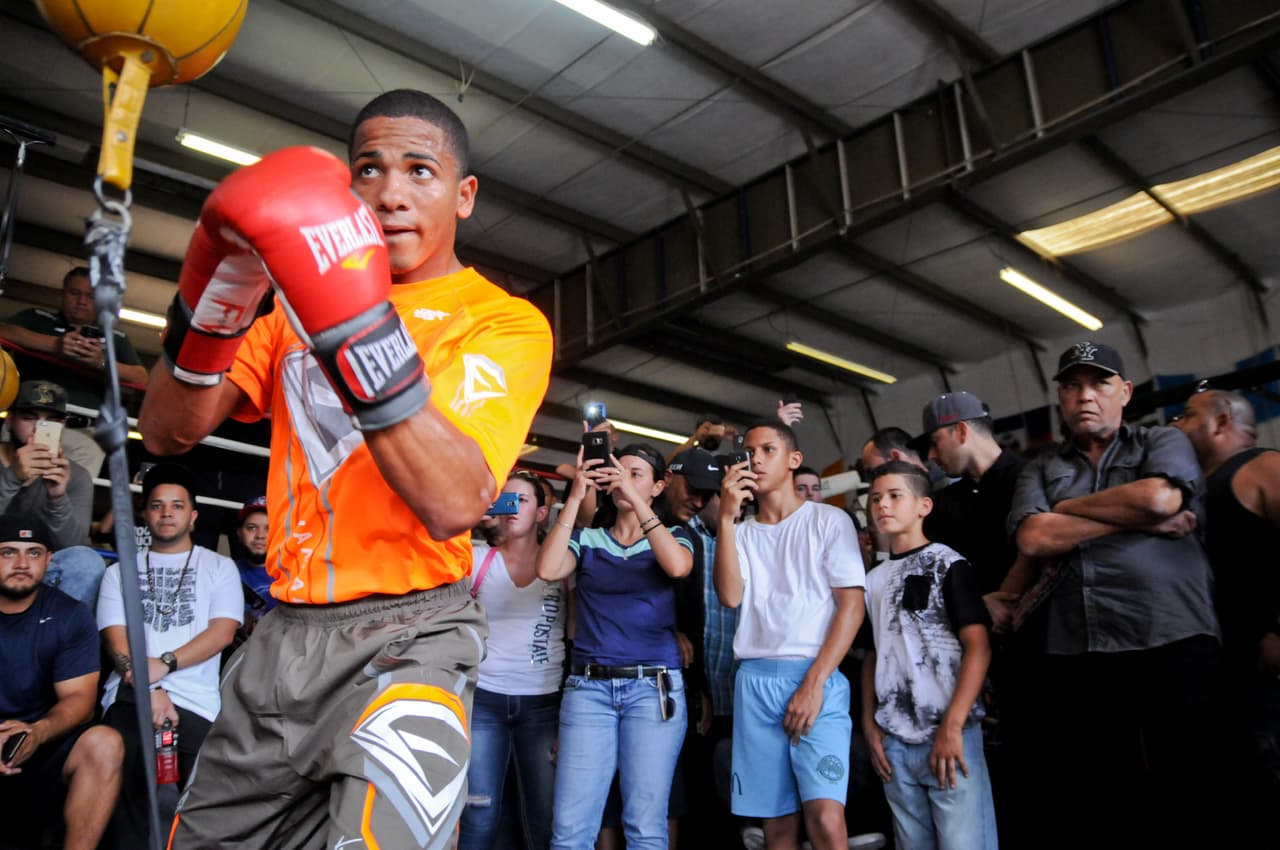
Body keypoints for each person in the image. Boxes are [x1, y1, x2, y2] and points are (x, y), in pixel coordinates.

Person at [140, 89, 553, 848]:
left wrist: (350, 320)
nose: (392, 193)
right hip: (282, 642)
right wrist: (218, 295)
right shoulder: (284, 318)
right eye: (369, 169)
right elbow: (167, 430)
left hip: (411, 634)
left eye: (420, 170)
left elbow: (456, 498)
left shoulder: (501, 323)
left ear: (464, 195)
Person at [1008, 341, 1222, 850]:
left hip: (1173, 632)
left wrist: (1070, 508)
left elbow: (1158, 496)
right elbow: (1034, 538)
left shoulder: (1161, 443)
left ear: (1124, 393)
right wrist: (1139, 522)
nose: (1085, 396)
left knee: (1199, 780)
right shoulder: (1037, 467)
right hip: (1082, 646)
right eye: (1072, 386)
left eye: (1099, 384)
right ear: (1060, 397)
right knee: (1102, 794)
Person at [715, 420, 866, 850]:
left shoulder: (829, 520)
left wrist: (814, 684)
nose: (756, 459)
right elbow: (729, 596)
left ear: (793, 460)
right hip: (755, 679)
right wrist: (726, 518)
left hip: (816, 674)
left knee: (826, 817)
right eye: (749, 452)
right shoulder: (740, 532)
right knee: (776, 825)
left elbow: (852, 607)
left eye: (767, 450)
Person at [537, 444, 695, 850]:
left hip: (652, 689)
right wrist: (575, 495)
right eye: (617, 472)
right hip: (588, 691)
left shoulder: (676, 535)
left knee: (645, 825)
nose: (623, 478)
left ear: (659, 486)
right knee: (570, 828)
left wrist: (638, 504)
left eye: (636, 473)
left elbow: (677, 567)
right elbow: (548, 569)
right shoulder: (588, 539)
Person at [908, 390, 1039, 847]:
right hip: (971, 660)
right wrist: (985, 606)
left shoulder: (1031, 475)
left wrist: (1010, 599)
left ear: (961, 430)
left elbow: (1046, 547)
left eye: (934, 442)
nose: (930, 454)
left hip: (1041, 649)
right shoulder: (944, 506)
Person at [97, 462, 242, 849]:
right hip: (131, 698)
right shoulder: (118, 572)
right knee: (126, 786)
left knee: (208, 808)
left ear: (193, 516)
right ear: (146, 513)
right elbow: (116, 639)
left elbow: (222, 632)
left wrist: (166, 663)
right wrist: (151, 686)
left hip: (197, 705)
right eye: (157, 505)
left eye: (177, 506)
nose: (166, 513)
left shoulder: (220, 567)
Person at [860, 462, 996, 850]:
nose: (882, 505)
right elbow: (873, 652)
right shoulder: (872, 580)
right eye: (875, 498)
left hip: (948, 733)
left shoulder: (948, 564)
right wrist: (871, 726)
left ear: (924, 506)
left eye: (894, 496)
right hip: (894, 740)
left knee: (962, 842)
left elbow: (979, 645)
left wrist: (953, 726)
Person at [1172, 387, 1280, 845]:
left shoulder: (1263, 466)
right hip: (1227, 676)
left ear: (1219, 423)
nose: (1175, 425)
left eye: (1186, 415)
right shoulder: (1194, 491)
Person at [0, 513, 123, 850]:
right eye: (8, 552)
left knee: (104, 743)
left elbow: (80, 702)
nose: (22, 563)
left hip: (40, 744)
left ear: (49, 560)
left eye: (34, 553)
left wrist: (37, 732)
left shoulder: (70, 614)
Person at [461, 471, 565, 850]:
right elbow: (432, 538)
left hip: (542, 701)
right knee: (479, 813)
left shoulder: (563, 564)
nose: (511, 507)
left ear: (542, 513)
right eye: (505, 500)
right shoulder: (476, 558)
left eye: (522, 499)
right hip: (484, 699)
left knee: (544, 814)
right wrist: (476, 510)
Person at [0, 266, 149, 475]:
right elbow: (4, 331)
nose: (82, 301)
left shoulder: (115, 338)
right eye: (75, 293)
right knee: (10, 485)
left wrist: (100, 363)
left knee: (71, 497)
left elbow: (142, 377)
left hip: (83, 431)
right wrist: (55, 345)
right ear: (62, 294)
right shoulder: (37, 317)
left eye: (90, 296)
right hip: (30, 422)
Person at [0, 380, 104, 607]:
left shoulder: (74, 476)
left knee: (86, 561)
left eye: (52, 421)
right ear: (9, 421)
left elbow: (72, 546)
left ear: (63, 426)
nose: (39, 428)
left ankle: (55, 638)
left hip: (37, 570)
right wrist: (12, 478)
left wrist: (57, 497)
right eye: (29, 417)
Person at [230, 495, 274, 647]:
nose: (260, 535)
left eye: (268, 528)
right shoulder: (225, 572)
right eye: (252, 528)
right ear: (239, 533)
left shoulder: (295, 577)